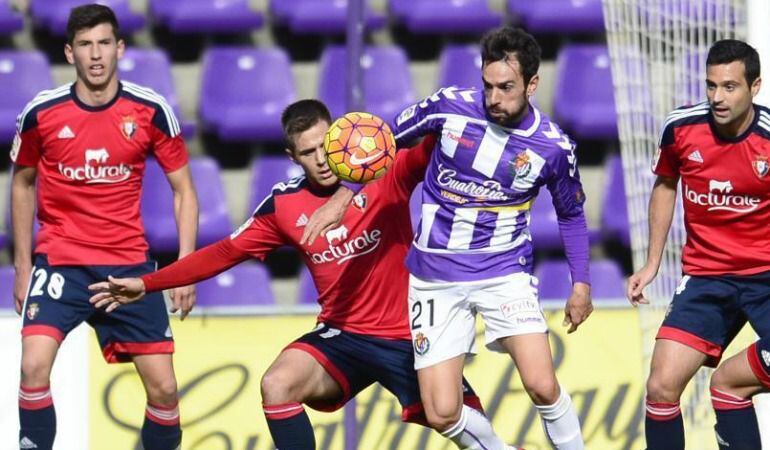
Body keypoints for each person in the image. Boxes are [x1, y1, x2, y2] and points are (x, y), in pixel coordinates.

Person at [89, 99, 518, 450]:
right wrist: (147, 283)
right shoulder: (283, 206)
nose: (322, 160)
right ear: (292, 157)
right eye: (308, 153)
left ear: (338, 138)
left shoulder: (385, 172)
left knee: (473, 431)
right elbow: (225, 252)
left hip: (411, 335)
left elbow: (442, 139)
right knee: (276, 384)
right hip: (343, 336)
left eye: (325, 146)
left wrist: (495, 107)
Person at [302, 26, 591, 450]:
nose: (494, 97)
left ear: (532, 84)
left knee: (542, 385)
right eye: (488, 85)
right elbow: (383, 143)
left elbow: (572, 215)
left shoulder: (553, 148)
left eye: (506, 87)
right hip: (434, 277)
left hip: (502, 273)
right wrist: (342, 198)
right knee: (440, 412)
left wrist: (580, 282)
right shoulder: (448, 107)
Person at [11, 5, 198, 450]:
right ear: (69, 52)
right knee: (33, 366)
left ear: (120, 48)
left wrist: (185, 268)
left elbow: (184, 191)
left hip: (129, 266)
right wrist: (22, 266)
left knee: (165, 391)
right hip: (62, 262)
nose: (95, 55)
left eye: (103, 44)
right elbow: (21, 186)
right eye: (84, 45)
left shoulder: (151, 110)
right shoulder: (42, 113)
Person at [627, 39, 770, 450]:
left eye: (729, 87)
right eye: (711, 86)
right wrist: (653, 263)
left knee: (728, 383)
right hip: (707, 279)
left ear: (755, 86)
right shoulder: (681, 128)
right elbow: (666, 184)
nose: (717, 97)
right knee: (661, 386)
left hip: (766, 278)